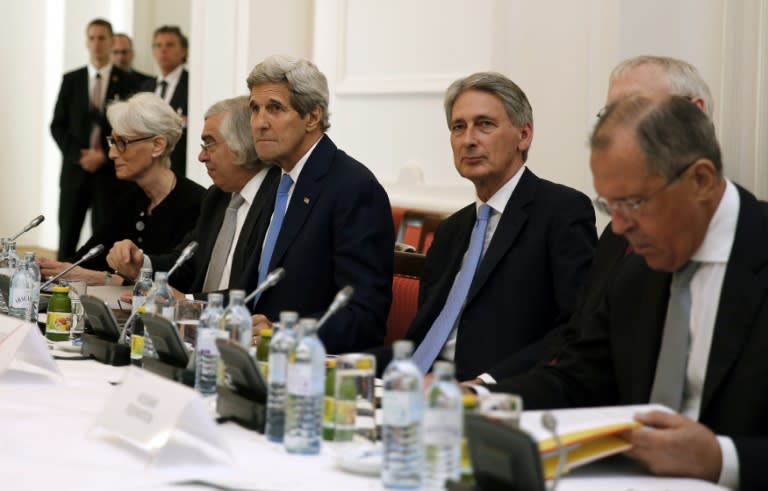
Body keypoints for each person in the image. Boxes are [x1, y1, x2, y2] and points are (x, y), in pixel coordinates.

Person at [490, 94, 768, 490]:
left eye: (633, 204)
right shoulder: (636, 269)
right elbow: (577, 380)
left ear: (701, 180)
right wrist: (477, 406)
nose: (619, 228)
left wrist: (722, 458)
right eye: (609, 205)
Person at [492, 55, 718, 375]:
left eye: (634, 110)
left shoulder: (751, 241)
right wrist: (483, 397)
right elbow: (580, 350)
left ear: (694, 115)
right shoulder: (617, 237)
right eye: (610, 116)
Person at [371, 72, 596, 381]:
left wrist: (483, 385)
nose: (469, 140)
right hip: (418, 386)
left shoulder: (561, 211)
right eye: (458, 127)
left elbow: (573, 329)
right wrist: (345, 362)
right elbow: (422, 342)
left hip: (494, 394)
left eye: (485, 125)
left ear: (524, 135)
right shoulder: (452, 230)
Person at [240, 55, 394, 354]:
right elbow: (253, 293)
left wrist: (285, 333)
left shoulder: (354, 188)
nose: (259, 123)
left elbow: (364, 316)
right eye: (254, 109)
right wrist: (193, 306)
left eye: (274, 108)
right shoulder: (275, 180)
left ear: (312, 116)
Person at [106, 96, 280, 294]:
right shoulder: (216, 197)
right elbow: (186, 264)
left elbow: (255, 291)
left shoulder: (277, 200)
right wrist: (140, 263)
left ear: (242, 144)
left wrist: (190, 304)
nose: (201, 156)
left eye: (209, 144)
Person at [39, 93, 204, 286]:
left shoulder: (198, 203)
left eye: (122, 143)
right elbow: (86, 259)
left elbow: (178, 281)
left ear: (157, 145)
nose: (111, 153)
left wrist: (105, 279)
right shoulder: (129, 199)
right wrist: (45, 265)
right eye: (112, 142)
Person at [50, 18, 138, 261]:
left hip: (109, 174)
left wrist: (104, 156)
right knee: (67, 236)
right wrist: (78, 155)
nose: (97, 43)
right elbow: (57, 125)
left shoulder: (129, 81)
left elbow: (129, 127)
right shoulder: (72, 80)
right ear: (86, 42)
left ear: (111, 42)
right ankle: (57, 287)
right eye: (92, 38)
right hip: (75, 172)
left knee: (104, 236)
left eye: (102, 38)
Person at [141, 25, 189, 177]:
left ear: (183, 51)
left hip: (181, 165)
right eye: (158, 45)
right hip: (148, 166)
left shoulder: (193, 85)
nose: (163, 50)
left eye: (169, 45)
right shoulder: (145, 86)